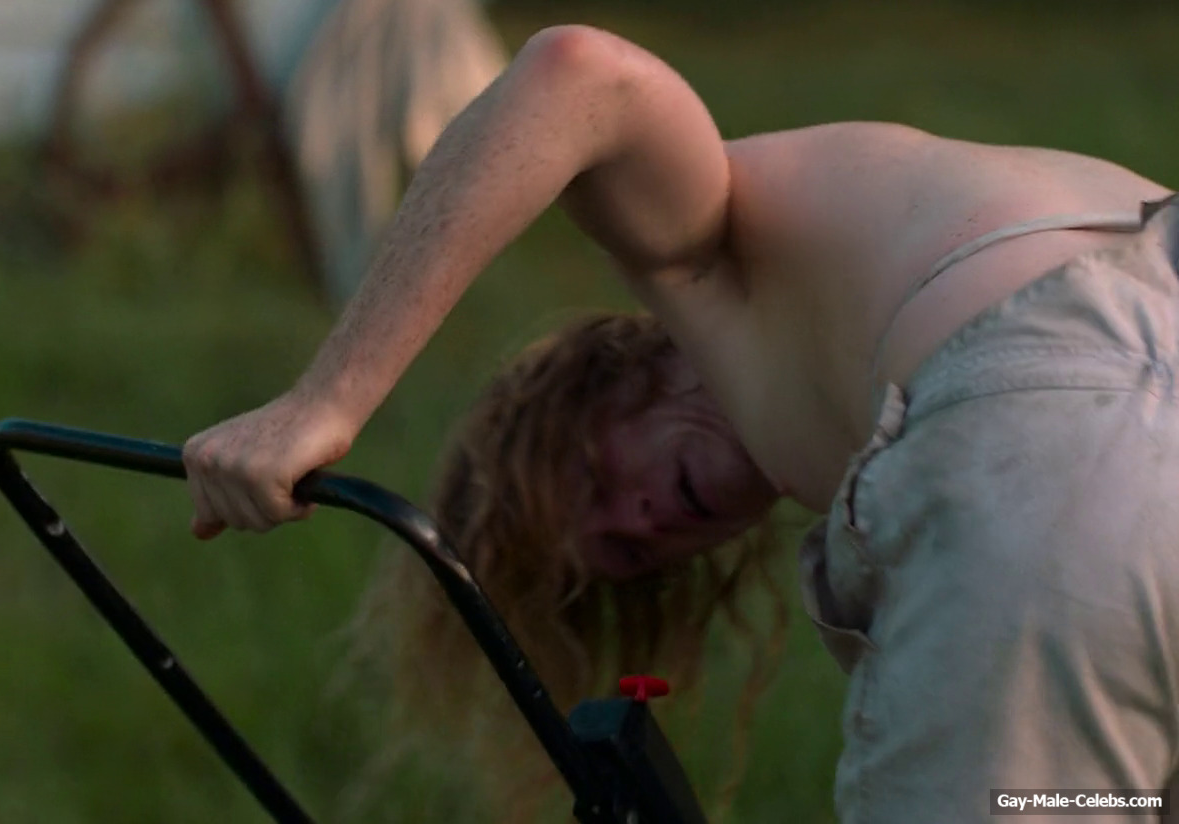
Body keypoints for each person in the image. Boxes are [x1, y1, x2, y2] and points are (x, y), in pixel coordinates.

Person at [182, 23, 1179, 823]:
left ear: (611, 378)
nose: (635, 519)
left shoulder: (701, 259)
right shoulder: (840, 340)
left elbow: (578, 74)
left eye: (590, 478)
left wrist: (324, 401)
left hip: (1057, 440)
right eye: (628, 555)